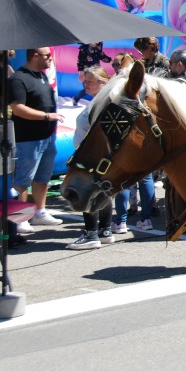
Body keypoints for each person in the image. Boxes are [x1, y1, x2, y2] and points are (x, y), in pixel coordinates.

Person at [8, 48, 65, 233]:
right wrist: (47, 116)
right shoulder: (18, 79)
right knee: (23, 179)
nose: (51, 59)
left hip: (47, 137)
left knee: (43, 178)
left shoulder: (43, 76)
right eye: (47, 56)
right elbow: (17, 108)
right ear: (35, 56)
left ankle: (40, 212)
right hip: (28, 139)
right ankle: (19, 217)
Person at [67, 66, 116, 249]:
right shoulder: (101, 101)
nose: (85, 84)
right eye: (85, 80)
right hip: (94, 154)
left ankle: (91, 233)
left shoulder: (102, 103)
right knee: (103, 192)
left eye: (89, 81)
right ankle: (104, 230)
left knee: (89, 192)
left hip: (91, 156)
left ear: (102, 83)